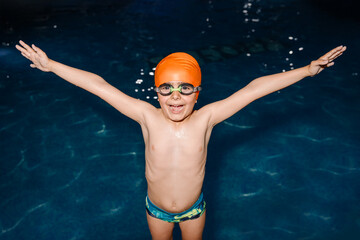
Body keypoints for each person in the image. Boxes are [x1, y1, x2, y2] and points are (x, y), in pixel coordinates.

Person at [16, 40, 346, 240]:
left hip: (194, 211)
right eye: (167, 89)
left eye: (185, 88)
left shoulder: (207, 118)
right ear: (156, 92)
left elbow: (254, 88)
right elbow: (98, 85)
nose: (176, 97)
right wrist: (53, 66)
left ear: (198, 93)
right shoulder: (146, 115)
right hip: (156, 212)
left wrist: (306, 70)